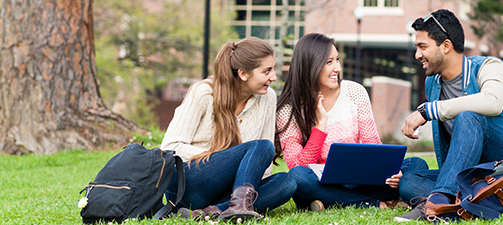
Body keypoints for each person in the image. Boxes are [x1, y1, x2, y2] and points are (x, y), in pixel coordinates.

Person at [394, 9, 503, 221]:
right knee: (409, 181)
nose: (417, 55)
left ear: (446, 46)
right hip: (474, 174)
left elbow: (492, 102)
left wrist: (429, 110)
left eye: (423, 47)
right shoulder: (433, 82)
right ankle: (471, 204)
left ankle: (440, 200)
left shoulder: (490, 67)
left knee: (469, 116)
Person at [275, 33, 428, 211]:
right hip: (320, 183)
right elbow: (298, 166)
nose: (337, 68)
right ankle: (374, 204)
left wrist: (391, 171)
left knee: (417, 166)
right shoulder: (288, 110)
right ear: (310, 65)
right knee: (298, 177)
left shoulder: (354, 92)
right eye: (329, 62)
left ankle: (331, 202)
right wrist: (320, 124)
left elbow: (373, 145)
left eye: (337, 60)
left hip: (360, 181)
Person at [160, 37, 296, 222]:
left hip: (229, 191)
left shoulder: (268, 97)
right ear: (243, 74)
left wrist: (245, 174)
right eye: (266, 71)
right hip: (188, 187)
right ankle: (236, 206)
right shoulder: (204, 92)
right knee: (262, 146)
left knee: (287, 183)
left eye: (273, 70)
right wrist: (224, 159)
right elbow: (170, 147)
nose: (273, 77)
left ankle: (215, 211)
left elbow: (264, 168)